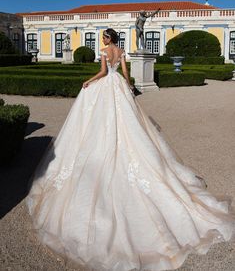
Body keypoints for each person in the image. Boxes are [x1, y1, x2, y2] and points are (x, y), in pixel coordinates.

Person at [26, 28, 235, 271]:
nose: (103, 41)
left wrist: (89, 80)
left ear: (108, 39)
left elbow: (103, 73)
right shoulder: (121, 51)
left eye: (104, 37)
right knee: (128, 125)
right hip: (118, 88)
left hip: (106, 86)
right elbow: (124, 74)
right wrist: (128, 90)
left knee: (99, 123)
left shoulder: (104, 51)